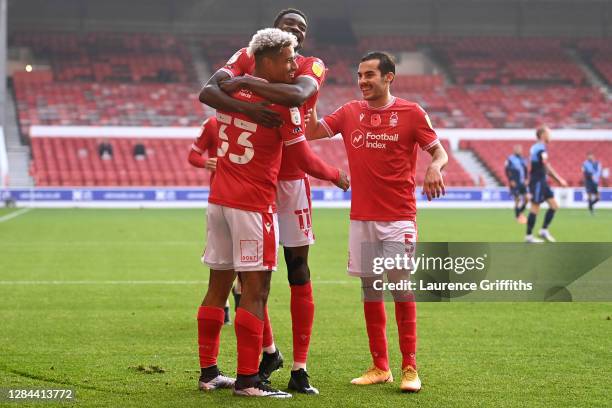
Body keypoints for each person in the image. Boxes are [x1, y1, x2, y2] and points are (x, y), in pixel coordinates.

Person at [195, 28, 348, 398]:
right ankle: (248, 380)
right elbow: (302, 158)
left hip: (219, 201)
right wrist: (336, 174)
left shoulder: (228, 93)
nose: (295, 65)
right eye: (288, 59)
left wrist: (245, 94)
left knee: (217, 287)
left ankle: (210, 372)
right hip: (252, 205)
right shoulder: (283, 107)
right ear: (266, 61)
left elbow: (210, 91)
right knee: (256, 289)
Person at [306, 51, 448, 393]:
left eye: (370, 75)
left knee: (400, 287)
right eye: (359, 75)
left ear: (389, 77)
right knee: (370, 289)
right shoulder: (350, 112)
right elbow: (310, 131)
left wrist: (433, 167)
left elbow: (439, 152)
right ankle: (380, 366)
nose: (363, 81)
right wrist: (309, 91)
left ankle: (410, 367)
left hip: (398, 217)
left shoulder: (411, 113)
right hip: (361, 218)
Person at [188, 116, 233, 325]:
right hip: (219, 197)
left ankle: (241, 304)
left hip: (250, 199)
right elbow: (193, 155)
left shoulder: (255, 119)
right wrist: (206, 162)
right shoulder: (213, 124)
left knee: (250, 262)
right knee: (220, 256)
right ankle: (223, 304)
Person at [525, 126, 568, 243]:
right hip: (537, 181)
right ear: (543, 134)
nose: (551, 136)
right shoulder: (540, 149)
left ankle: (544, 230)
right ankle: (528, 237)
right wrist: (559, 180)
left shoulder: (538, 148)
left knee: (554, 206)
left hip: (541, 181)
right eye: (549, 133)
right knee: (535, 208)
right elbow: (546, 167)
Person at [505, 145, 529, 224]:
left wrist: (526, 179)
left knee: (527, 198)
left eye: (520, 149)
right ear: (514, 150)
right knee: (517, 199)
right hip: (515, 182)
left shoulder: (523, 159)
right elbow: (507, 170)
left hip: (522, 182)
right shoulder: (510, 159)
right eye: (517, 149)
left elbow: (526, 170)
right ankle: (518, 216)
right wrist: (511, 180)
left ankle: (519, 213)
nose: (519, 150)